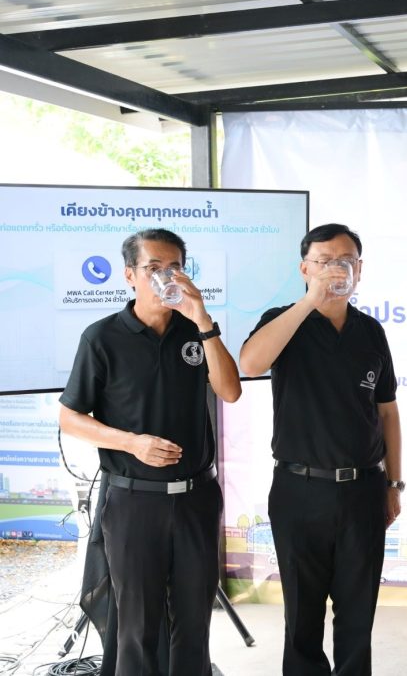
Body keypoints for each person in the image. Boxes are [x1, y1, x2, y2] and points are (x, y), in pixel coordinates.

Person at [59, 228, 242, 676]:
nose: (166, 277)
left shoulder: (195, 330)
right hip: (134, 500)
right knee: (137, 626)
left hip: (197, 497)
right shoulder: (102, 337)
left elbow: (230, 391)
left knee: (195, 622)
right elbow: (70, 418)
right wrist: (131, 442)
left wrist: (203, 319)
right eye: (153, 268)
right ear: (129, 275)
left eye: (175, 267)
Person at [239, 223, 402, 676]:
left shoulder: (370, 331)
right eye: (325, 261)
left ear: (360, 269)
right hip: (299, 488)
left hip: (363, 489)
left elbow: (387, 412)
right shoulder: (283, 319)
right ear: (304, 268)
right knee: (302, 614)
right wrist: (310, 301)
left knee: (358, 613)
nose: (336, 269)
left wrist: (394, 483)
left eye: (345, 261)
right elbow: (250, 362)